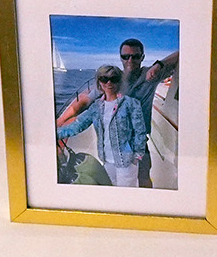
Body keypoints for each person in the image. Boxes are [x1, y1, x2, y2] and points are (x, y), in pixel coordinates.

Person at [55, 38, 177, 186]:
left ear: (142, 57)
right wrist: (59, 125)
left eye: (135, 56)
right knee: (114, 182)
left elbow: (182, 54)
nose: (130, 60)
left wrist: (159, 65)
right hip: (110, 150)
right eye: (125, 56)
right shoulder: (113, 82)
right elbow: (83, 108)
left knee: (142, 176)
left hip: (133, 147)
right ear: (121, 58)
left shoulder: (149, 76)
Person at [55, 65, 147, 188]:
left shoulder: (131, 104)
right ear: (99, 82)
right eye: (104, 78)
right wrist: (56, 133)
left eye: (113, 79)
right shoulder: (96, 107)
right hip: (106, 160)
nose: (109, 82)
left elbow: (140, 132)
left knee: (125, 196)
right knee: (110, 190)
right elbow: (78, 125)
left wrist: (137, 157)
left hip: (127, 162)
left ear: (119, 81)